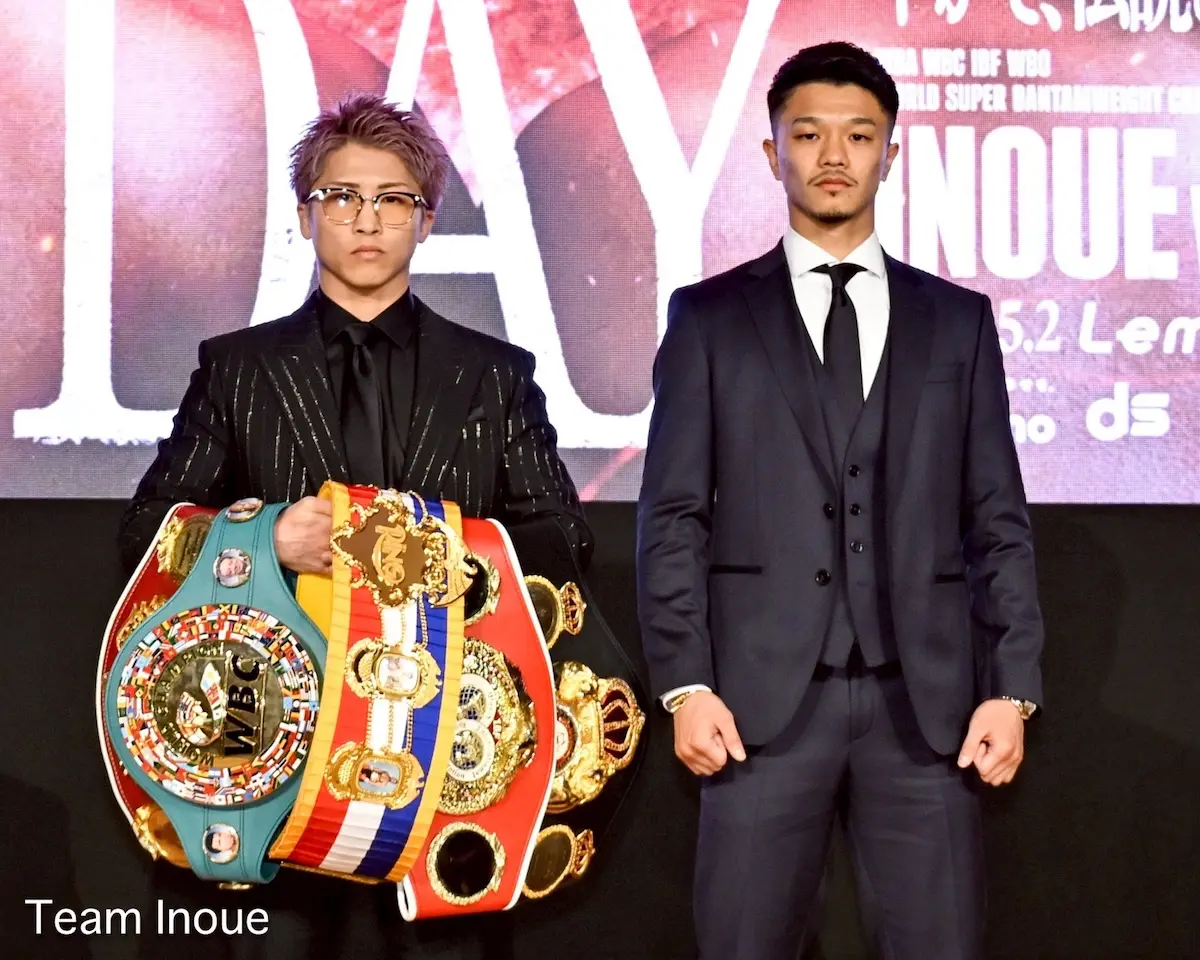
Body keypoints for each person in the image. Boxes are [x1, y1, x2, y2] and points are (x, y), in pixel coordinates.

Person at [636, 42, 1044, 960]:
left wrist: (1012, 689)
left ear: (889, 152)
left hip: (927, 710)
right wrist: (685, 684)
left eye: (858, 135)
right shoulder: (707, 318)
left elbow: (998, 521)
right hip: (755, 708)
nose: (833, 155)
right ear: (771, 151)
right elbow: (671, 519)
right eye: (808, 133)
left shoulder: (957, 320)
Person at [119, 92, 591, 580]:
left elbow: (563, 536)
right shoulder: (237, 369)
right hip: (283, 650)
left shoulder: (496, 374)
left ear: (425, 220)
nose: (367, 222)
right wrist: (264, 538)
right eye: (342, 197)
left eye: (392, 200)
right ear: (306, 216)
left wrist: (436, 552)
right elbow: (145, 532)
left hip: (453, 651)